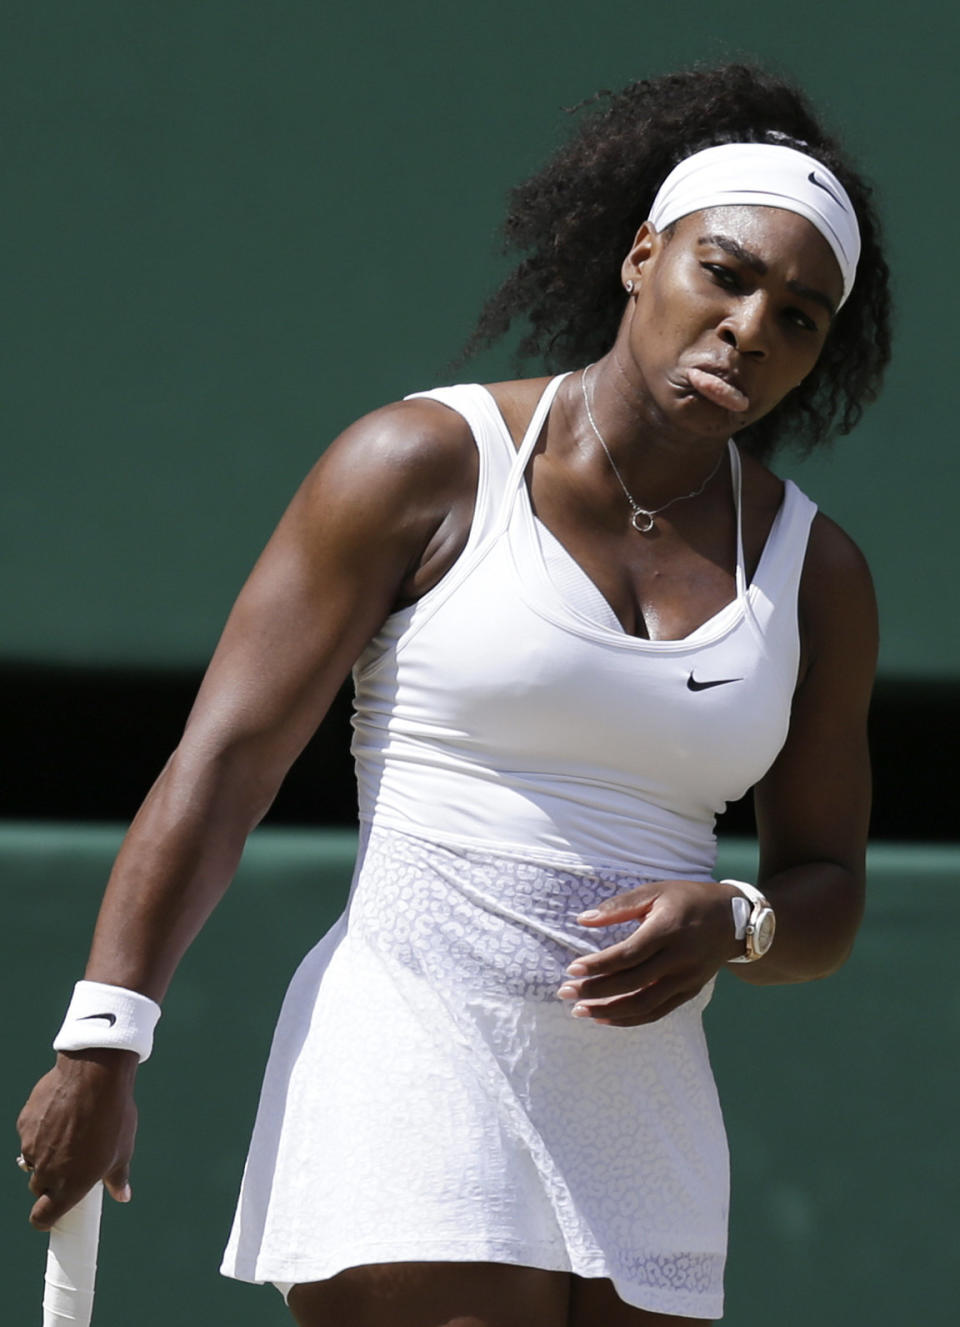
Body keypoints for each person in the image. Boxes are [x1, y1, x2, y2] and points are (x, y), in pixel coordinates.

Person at [18, 62, 891, 1327]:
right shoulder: (420, 463)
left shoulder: (820, 576)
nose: (753, 328)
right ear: (644, 254)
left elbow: (829, 890)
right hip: (412, 1060)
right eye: (729, 273)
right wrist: (103, 1036)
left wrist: (739, 919)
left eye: (801, 318)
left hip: (646, 1107)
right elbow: (223, 768)